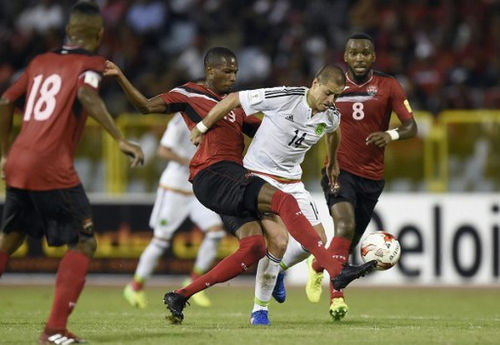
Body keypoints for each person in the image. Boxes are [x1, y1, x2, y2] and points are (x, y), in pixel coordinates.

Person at [107, 47, 376, 325]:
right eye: (227, 71)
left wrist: (308, 145)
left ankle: (180, 296)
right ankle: (336, 270)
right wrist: (119, 76)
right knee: (284, 203)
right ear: (210, 70)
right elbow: (144, 106)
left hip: (234, 180)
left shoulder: (239, 111)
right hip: (214, 175)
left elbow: (267, 131)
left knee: (256, 248)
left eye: (236, 71)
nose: (233, 77)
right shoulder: (189, 94)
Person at [0, 2, 144, 344]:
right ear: (98, 34)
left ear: (68, 32)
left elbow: (5, 101)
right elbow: (85, 94)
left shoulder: (38, 62)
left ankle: (55, 330)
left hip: (19, 159)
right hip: (51, 164)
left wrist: (4, 153)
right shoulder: (90, 63)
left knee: (12, 237)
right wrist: (120, 138)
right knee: (85, 241)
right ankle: (54, 331)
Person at [306, 32, 418, 321]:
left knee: (349, 242)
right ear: (345, 57)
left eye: (364, 53)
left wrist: (390, 134)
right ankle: (337, 297)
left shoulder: (388, 85)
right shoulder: (334, 85)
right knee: (344, 226)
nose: (359, 58)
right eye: (353, 53)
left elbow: (411, 126)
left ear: (373, 57)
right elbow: (309, 110)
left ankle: (318, 266)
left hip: (372, 177)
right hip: (338, 170)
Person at [230, 64, 351, 326]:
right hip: (259, 177)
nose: (331, 101)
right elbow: (238, 100)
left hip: (292, 182)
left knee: (317, 240)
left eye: (338, 96)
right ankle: (259, 310)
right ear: (315, 82)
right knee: (279, 242)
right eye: (329, 93)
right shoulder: (287, 97)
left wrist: (333, 161)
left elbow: (334, 131)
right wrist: (205, 126)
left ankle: (279, 270)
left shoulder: (330, 114)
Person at [123, 112, 226, 309]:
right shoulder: (181, 119)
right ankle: (135, 287)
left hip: (196, 189)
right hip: (174, 189)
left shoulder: (215, 116)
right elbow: (163, 150)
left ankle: (193, 280)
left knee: (215, 233)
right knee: (161, 241)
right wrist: (190, 163)